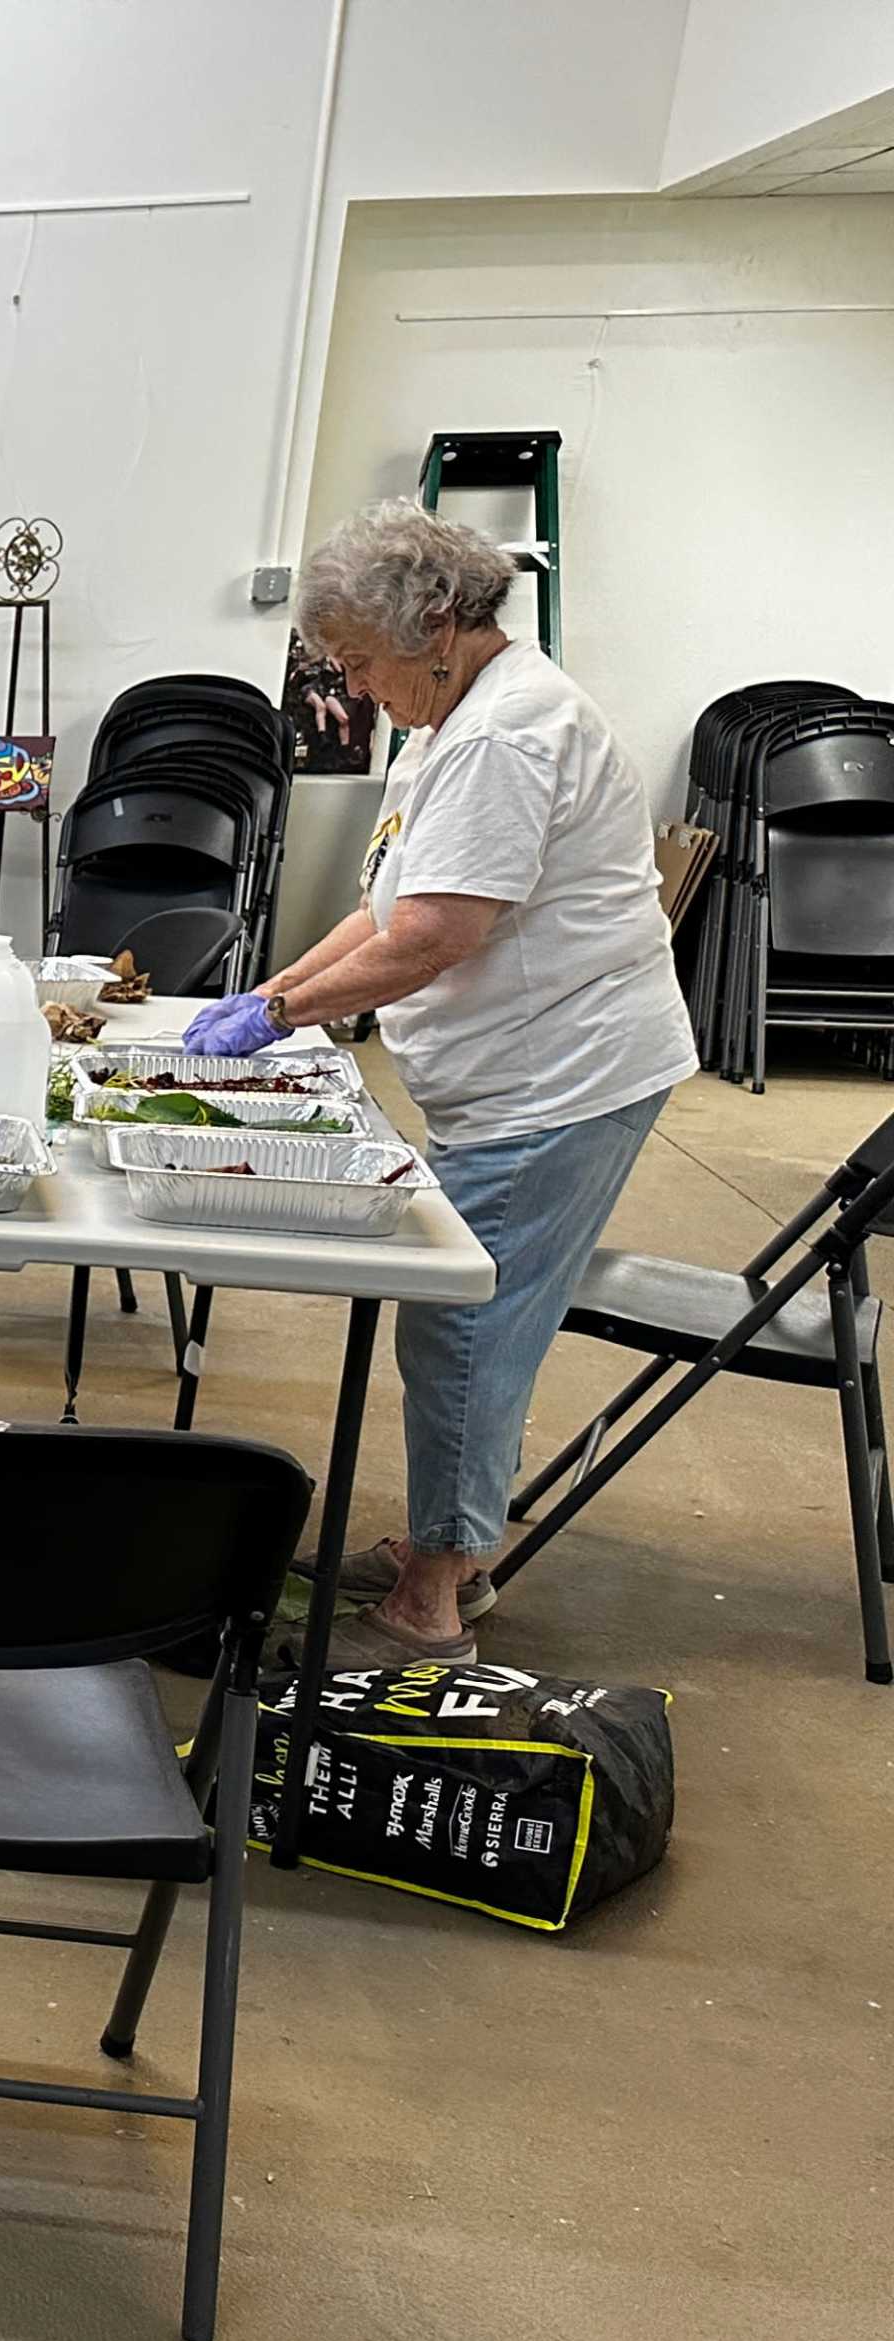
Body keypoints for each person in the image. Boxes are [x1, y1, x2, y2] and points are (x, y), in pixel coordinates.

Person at [186, 501, 698, 1659]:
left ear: (431, 629)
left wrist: (275, 1016)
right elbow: (386, 908)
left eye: (359, 663)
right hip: (518, 1067)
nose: (356, 688)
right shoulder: (451, 713)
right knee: (460, 1310)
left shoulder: (504, 736)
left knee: (467, 1323)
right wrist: (273, 990)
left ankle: (433, 1600)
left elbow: (432, 940)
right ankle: (442, 1542)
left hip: (561, 1076)